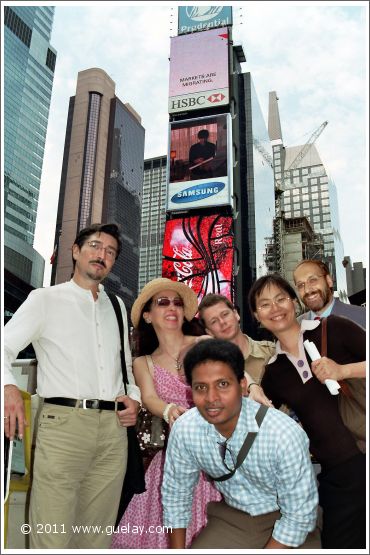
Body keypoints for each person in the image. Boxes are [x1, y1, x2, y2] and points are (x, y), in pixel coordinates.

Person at [4, 223, 141, 549]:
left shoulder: (119, 308)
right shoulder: (45, 300)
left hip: (112, 431)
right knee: (51, 531)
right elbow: (4, 347)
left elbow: (126, 369)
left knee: (96, 536)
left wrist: (133, 398)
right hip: (63, 425)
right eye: (95, 246)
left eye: (110, 252)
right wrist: (8, 389)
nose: (102, 255)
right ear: (76, 251)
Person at [161, 339, 320, 549]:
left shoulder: (283, 434)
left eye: (223, 384)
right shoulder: (185, 429)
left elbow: (299, 515)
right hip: (232, 517)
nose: (211, 398)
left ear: (243, 385)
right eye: (200, 387)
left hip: (287, 516)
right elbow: (176, 494)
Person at [248, 273, 366, 548]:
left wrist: (342, 370)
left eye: (281, 299)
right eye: (264, 304)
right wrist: (252, 387)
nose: (275, 308)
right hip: (337, 476)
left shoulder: (334, 327)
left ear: (294, 302)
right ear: (256, 315)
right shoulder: (274, 371)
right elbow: (259, 424)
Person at [111, 277, 221, 549]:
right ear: (147, 316)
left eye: (177, 302)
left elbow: (228, 380)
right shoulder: (142, 362)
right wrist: (171, 410)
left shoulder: (205, 343)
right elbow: (148, 398)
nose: (172, 307)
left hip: (215, 456)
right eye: (162, 302)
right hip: (172, 458)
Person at [198, 293, 275, 394]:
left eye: (225, 314)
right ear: (209, 332)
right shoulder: (209, 369)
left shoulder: (270, 351)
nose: (222, 322)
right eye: (214, 321)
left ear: (236, 314)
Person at [293, 259, 366, 329]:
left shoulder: (363, 317)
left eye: (313, 280)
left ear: (329, 281)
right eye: (300, 285)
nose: (307, 290)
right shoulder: (295, 327)